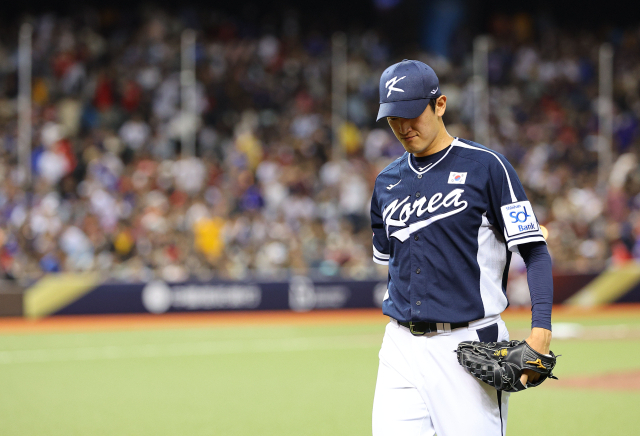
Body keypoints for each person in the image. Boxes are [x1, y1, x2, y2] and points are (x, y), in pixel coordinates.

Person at [370, 59, 553, 436]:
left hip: (469, 345)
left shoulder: (486, 166)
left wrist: (541, 333)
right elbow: (390, 262)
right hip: (400, 348)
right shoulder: (386, 182)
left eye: (411, 114)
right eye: (393, 119)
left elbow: (534, 251)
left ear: (440, 105)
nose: (404, 127)